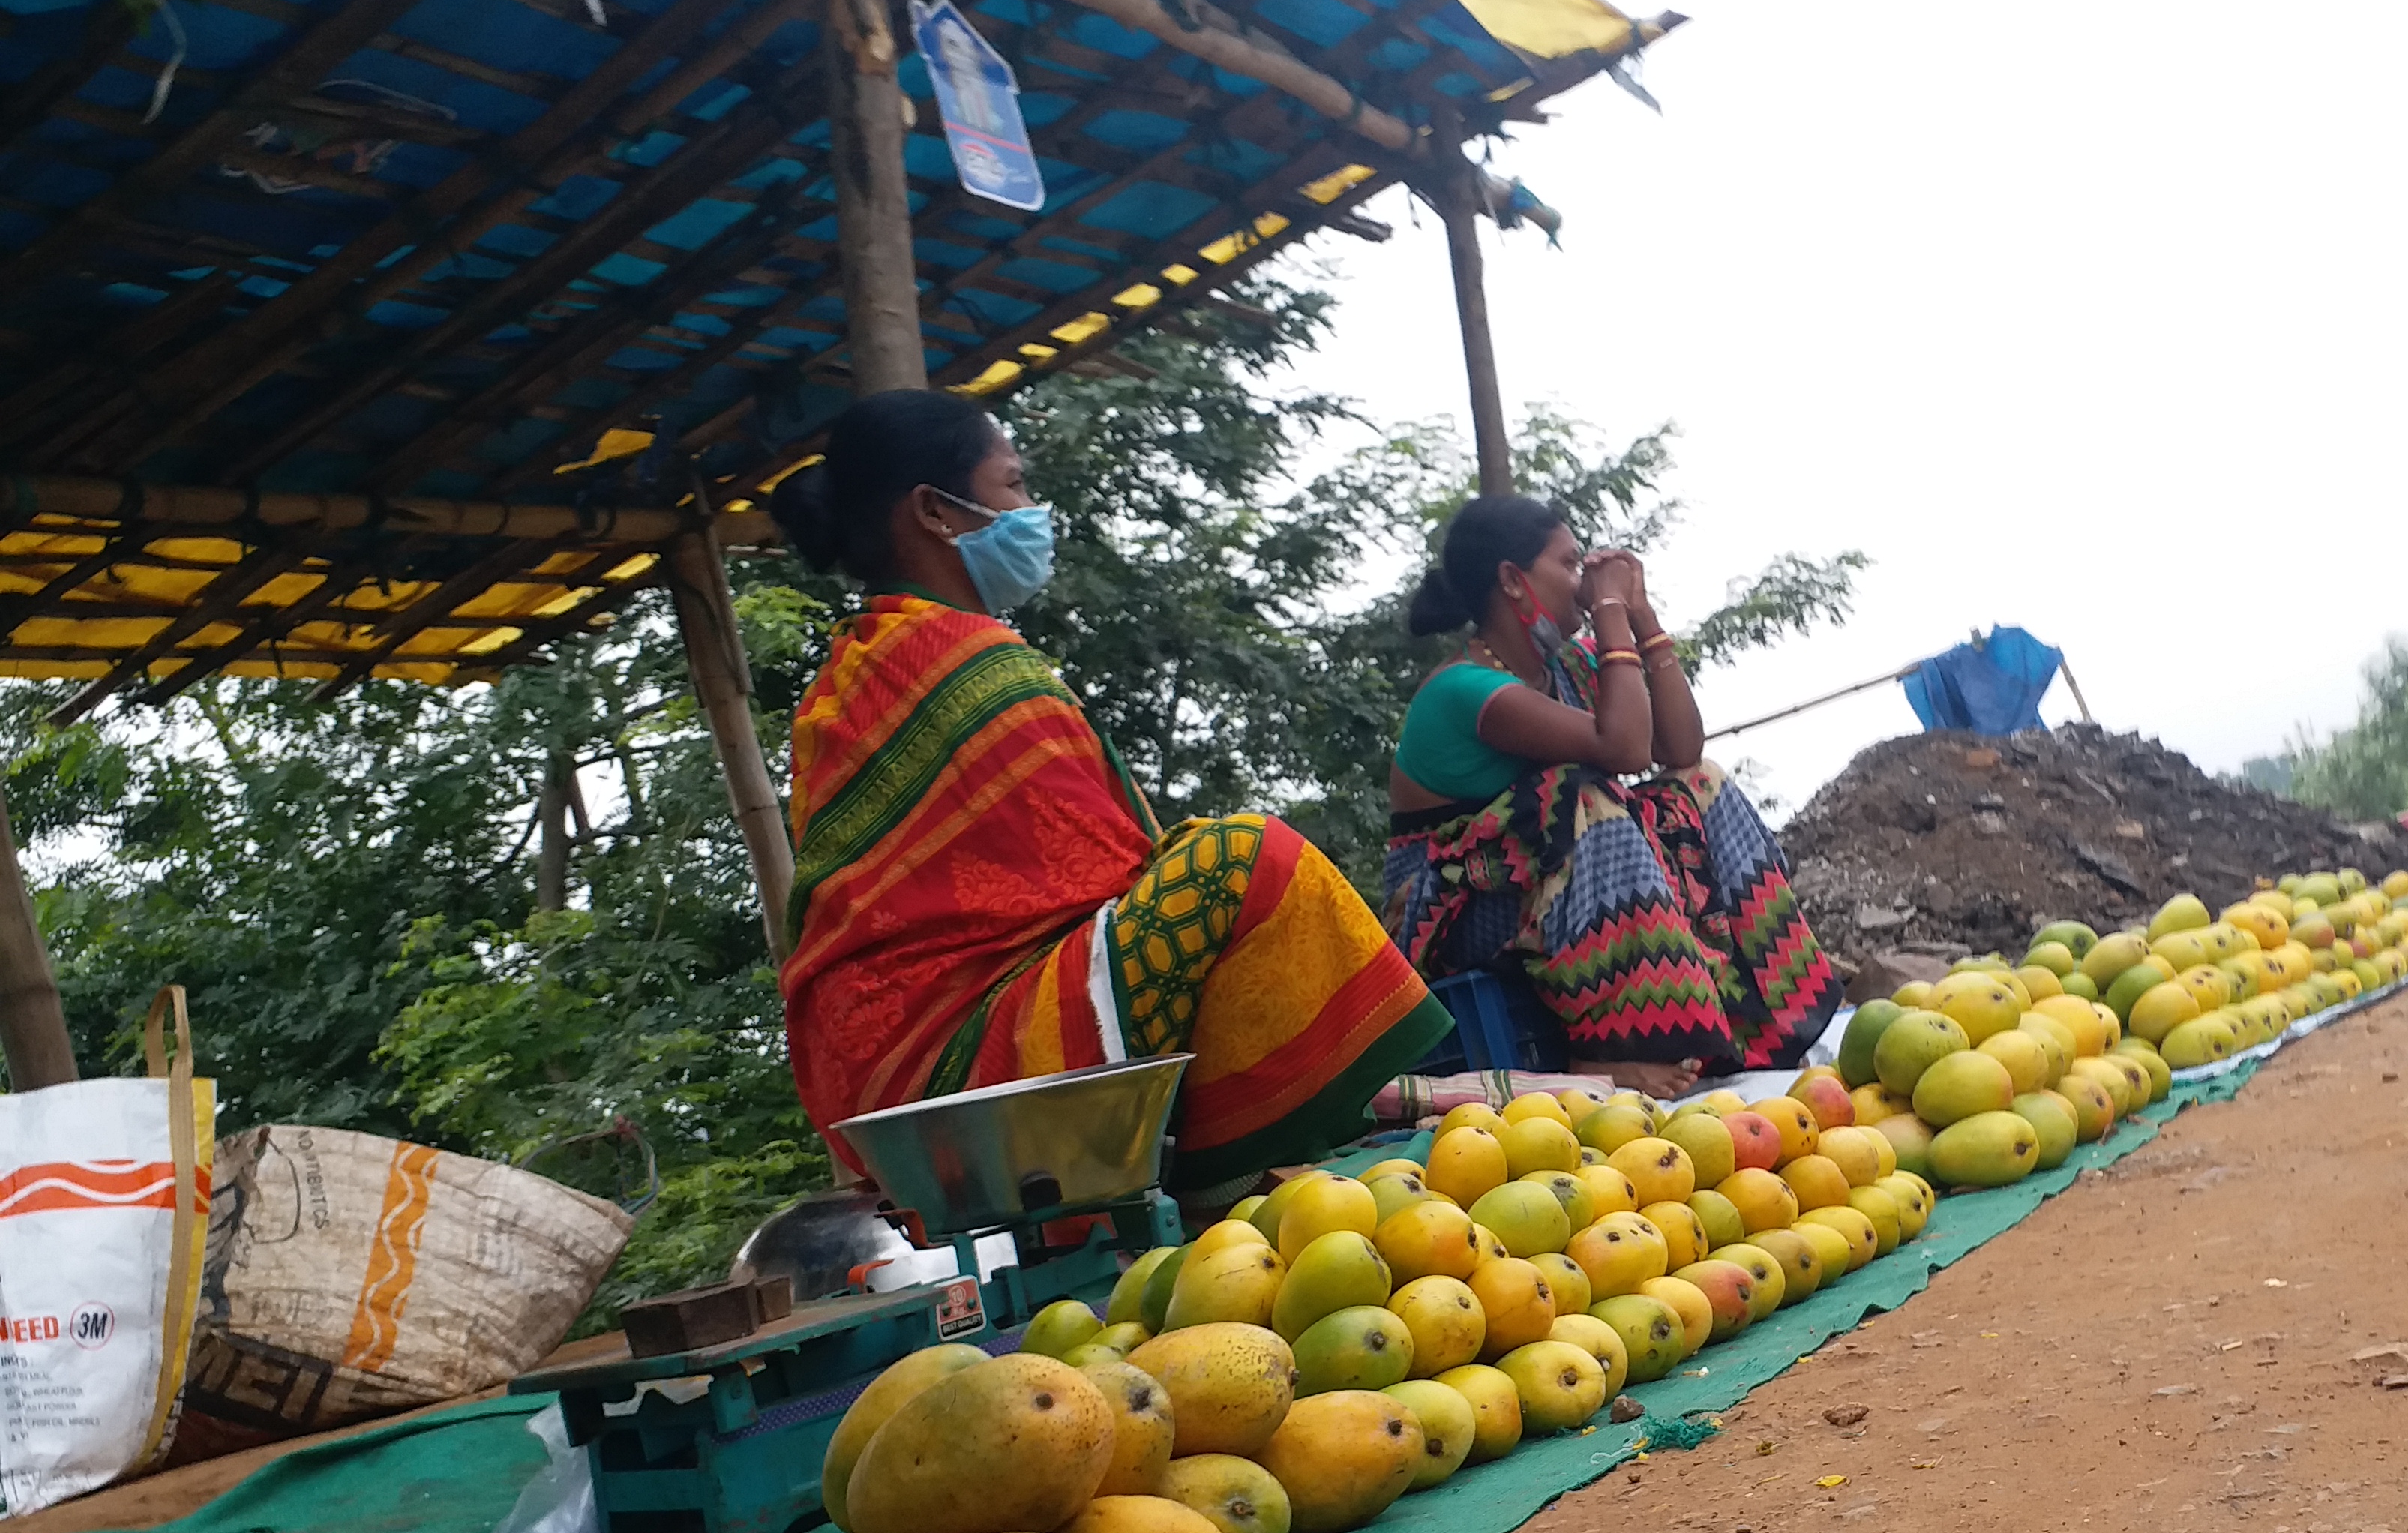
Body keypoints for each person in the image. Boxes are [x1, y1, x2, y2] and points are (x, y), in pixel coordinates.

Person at [766, 389, 1451, 1195]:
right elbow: (1111, 881)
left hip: (881, 1089)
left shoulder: (852, 674)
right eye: (1013, 484)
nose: (1030, 510)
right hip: (968, 1069)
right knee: (1243, 859)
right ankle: (1224, 1164)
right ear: (935, 512)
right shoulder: (968, 662)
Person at [1381, 495, 1839, 1100]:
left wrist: (1642, 617)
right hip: (1452, 910)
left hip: (1542, 885)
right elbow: (1621, 750)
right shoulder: (1463, 690)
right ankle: (1619, 1049)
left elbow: (1679, 751)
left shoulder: (1571, 665)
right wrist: (1609, 609)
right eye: (1569, 565)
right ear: (1514, 582)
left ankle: (1761, 1016)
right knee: (1582, 799)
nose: (1581, 584)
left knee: (1699, 783)